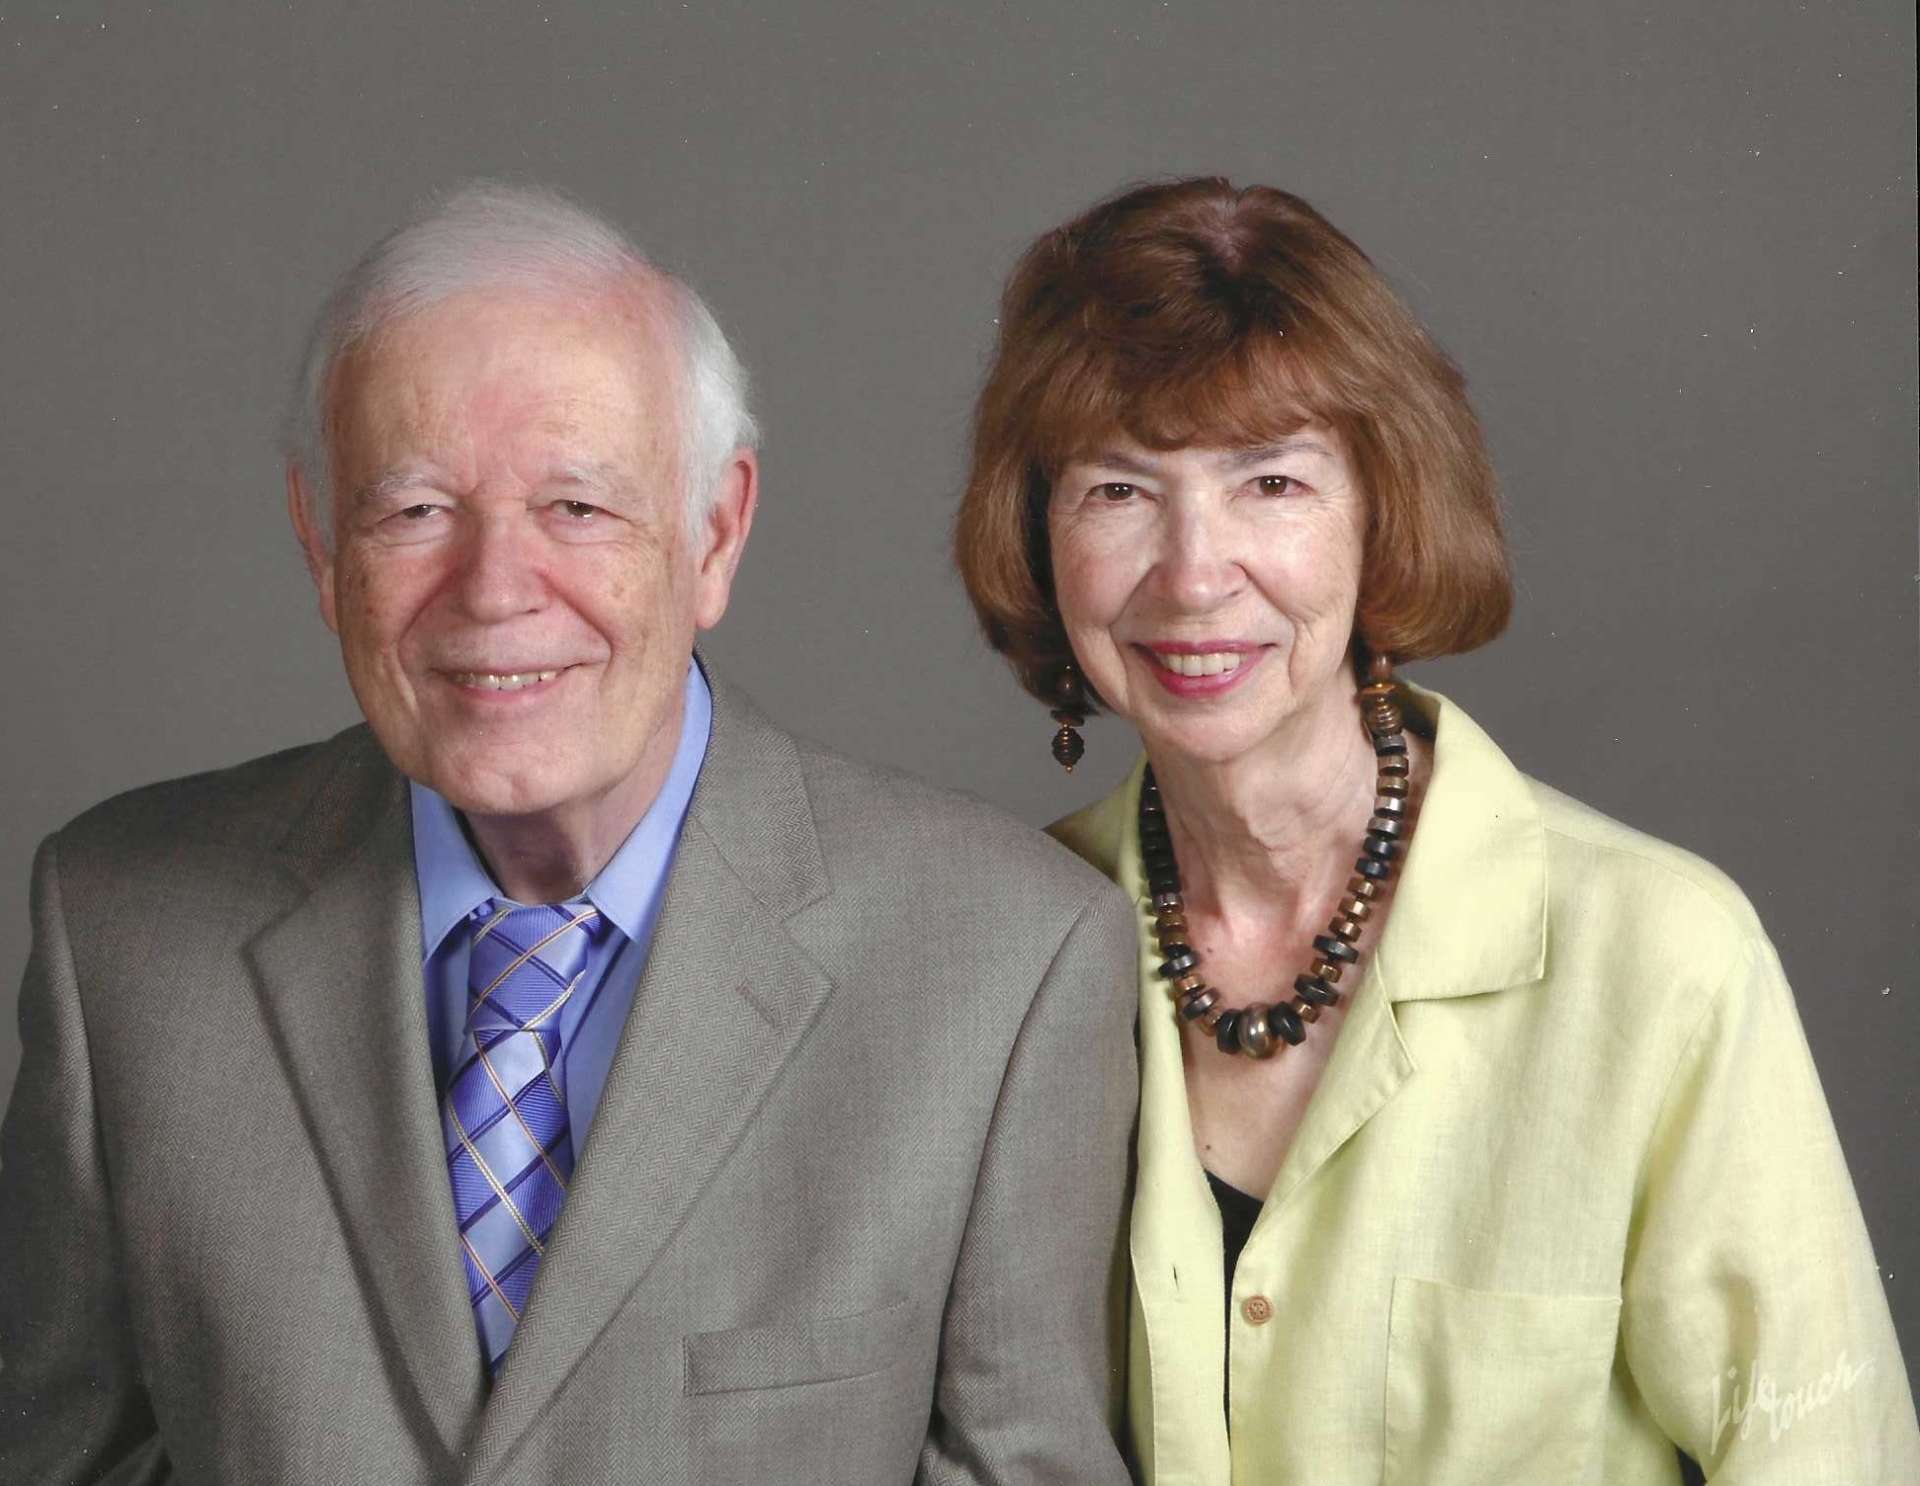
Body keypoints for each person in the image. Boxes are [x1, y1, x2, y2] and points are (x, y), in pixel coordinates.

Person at [0, 183, 1138, 1485]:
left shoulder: (1002, 964)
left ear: (715, 531)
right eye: (414, 509)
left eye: (579, 508)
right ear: (321, 543)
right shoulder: (123, 935)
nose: (493, 588)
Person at [955, 176, 1919, 1484]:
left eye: (1272, 483)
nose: (1191, 573)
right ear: (1039, 533)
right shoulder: (1004, 951)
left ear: (1383, 509)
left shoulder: (1659, 955)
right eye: (1119, 491)